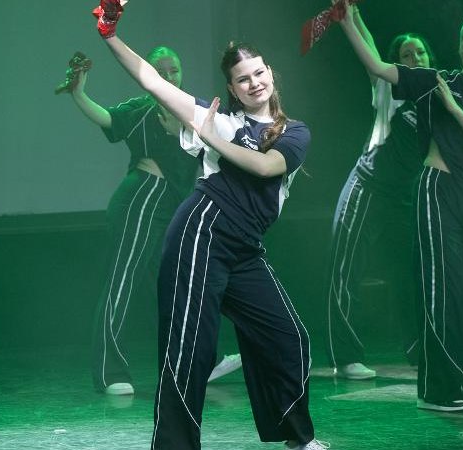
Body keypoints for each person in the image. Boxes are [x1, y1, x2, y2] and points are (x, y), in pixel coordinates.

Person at [91, 1, 328, 449]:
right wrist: (109, 35)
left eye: (258, 73)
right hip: (200, 230)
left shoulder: (293, 131)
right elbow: (152, 81)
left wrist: (213, 140)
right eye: (243, 79)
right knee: (191, 351)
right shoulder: (218, 117)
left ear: (270, 73)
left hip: (244, 247)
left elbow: (265, 168)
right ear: (233, 89)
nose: (254, 82)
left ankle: (297, 438)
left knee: (289, 336)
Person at [336, 6, 463, 411]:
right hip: (436, 190)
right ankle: (440, 389)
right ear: (458, 49)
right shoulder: (437, 81)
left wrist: (454, 109)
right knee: (444, 292)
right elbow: (378, 67)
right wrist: (349, 21)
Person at [60, 46, 241, 396]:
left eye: (174, 70)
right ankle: (109, 372)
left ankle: (199, 361)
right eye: (161, 71)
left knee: (179, 284)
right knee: (123, 281)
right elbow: (106, 118)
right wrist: (79, 93)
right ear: (150, 76)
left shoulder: (194, 109)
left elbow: (224, 141)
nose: (169, 76)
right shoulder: (141, 110)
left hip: (173, 206)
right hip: (141, 199)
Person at [325, 5, 437, 380]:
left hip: (404, 196)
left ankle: (420, 352)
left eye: (420, 52)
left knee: (410, 276)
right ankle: (346, 356)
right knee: (346, 270)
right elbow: (370, 50)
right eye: (407, 54)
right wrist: (351, 13)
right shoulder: (388, 86)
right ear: (396, 62)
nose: (415, 58)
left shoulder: (438, 95)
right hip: (367, 186)